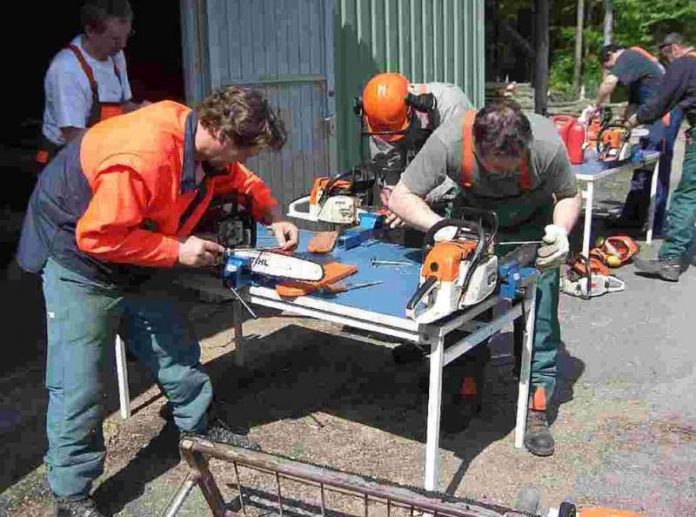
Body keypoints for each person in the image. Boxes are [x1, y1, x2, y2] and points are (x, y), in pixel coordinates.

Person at [16, 86, 298, 516]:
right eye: (243, 154)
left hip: (135, 247)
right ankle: (71, 493)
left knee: (175, 347)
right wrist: (177, 251)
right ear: (223, 137)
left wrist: (273, 213)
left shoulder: (199, 139)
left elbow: (237, 178)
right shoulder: (144, 156)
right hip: (79, 258)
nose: (242, 165)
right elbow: (96, 236)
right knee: (79, 383)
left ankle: (199, 427)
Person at [386, 100, 582, 456]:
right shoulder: (448, 142)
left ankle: (536, 406)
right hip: (471, 227)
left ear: (525, 148)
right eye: (496, 170)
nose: (505, 177)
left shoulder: (547, 146)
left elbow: (569, 194)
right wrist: (439, 229)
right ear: (476, 149)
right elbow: (402, 196)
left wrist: (561, 232)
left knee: (541, 318)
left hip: (533, 228)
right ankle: (466, 387)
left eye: (513, 169)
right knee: (466, 313)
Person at [36, 0, 148, 169]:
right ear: (90, 31)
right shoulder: (67, 70)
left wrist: (144, 110)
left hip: (102, 148)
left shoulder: (116, 55)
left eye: (127, 35)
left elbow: (123, 105)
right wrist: (123, 143)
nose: (123, 45)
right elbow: (73, 136)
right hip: (65, 159)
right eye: (115, 39)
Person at [627, 34, 696, 282]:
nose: (666, 61)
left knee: (687, 196)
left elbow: (661, 101)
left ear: (675, 48)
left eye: (666, 55)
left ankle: (670, 260)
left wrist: (632, 121)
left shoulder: (684, 64)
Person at [591, 43, 680, 235]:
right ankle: (632, 219)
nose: (612, 70)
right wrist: (623, 127)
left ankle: (655, 225)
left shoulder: (629, 56)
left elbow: (608, 84)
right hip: (651, 116)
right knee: (641, 167)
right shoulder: (637, 66)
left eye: (608, 67)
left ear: (611, 55)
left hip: (662, 118)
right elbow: (633, 105)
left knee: (656, 166)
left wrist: (595, 106)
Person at [356, 72, 473, 212]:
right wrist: (391, 192)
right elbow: (390, 163)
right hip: (417, 192)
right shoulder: (379, 116)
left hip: (459, 191)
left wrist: (414, 195)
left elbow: (461, 170)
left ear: (410, 109)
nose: (389, 139)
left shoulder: (450, 105)